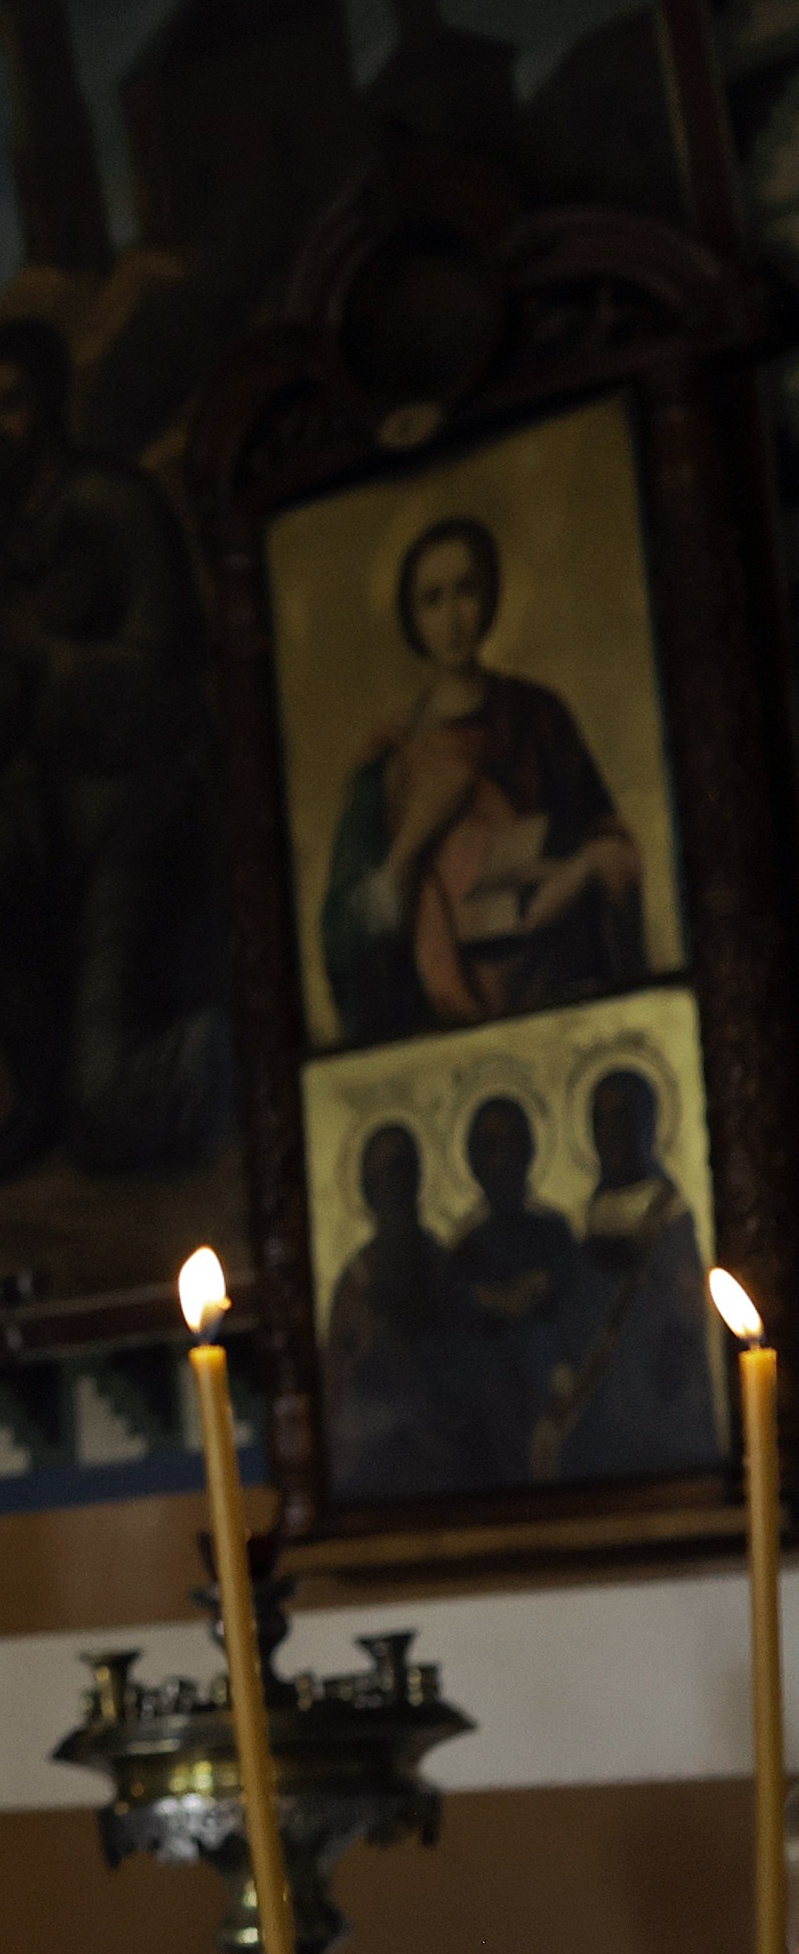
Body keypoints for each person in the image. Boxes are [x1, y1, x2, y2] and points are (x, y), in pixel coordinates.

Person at [0, 317, 226, 1183]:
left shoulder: (116, 508)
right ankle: (36, 1091)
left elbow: (165, 680)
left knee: (110, 1104)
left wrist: (50, 658)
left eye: (11, 404)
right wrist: (16, 674)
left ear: (52, 404)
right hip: (60, 807)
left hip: (144, 807)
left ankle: (227, 1047)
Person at [319, 515, 644, 1047]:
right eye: (433, 599)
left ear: (489, 598)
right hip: (437, 1024)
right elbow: (345, 940)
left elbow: (610, 842)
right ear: (412, 617)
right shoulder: (387, 759)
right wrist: (414, 839)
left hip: (556, 998)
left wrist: (578, 874)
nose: (452, 618)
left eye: (465, 591)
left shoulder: (540, 718)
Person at [538, 1065, 717, 1484]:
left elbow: (685, 1309)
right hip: (598, 1393)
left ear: (646, 1123)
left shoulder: (666, 1209)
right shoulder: (590, 1211)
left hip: (653, 1391)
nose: (611, 1133)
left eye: (622, 1117)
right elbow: (577, 1302)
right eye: (600, 1120)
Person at [323, 1121, 492, 1502]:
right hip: (380, 1456)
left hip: (448, 1453)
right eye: (382, 1175)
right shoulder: (356, 1280)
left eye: (401, 1169)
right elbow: (339, 1381)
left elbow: (468, 1362)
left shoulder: (442, 1267)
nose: (393, 1185)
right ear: (368, 1189)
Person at [445, 1095, 582, 1490]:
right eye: (490, 1147)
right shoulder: (463, 1252)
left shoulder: (554, 1234)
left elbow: (577, 1323)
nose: (503, 1160)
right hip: (488, 1428)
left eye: (513, 1144)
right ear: (473, 1161)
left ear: (529, 1153)